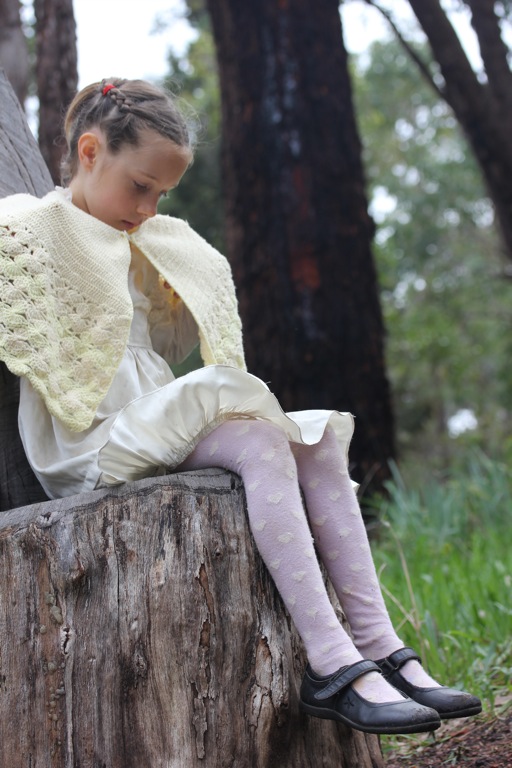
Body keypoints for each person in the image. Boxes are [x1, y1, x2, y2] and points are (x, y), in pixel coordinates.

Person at [0, 78, 481, 735]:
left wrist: (170, 263)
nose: (148, 208)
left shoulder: (146, 241)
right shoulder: (30, 227)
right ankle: (332, 661)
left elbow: (170, 338)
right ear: (89, 152)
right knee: (257, 437)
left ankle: (381, 647)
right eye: (140, 186)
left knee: (313, 440)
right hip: (91, 436)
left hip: (145, 417)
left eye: (161, 195)